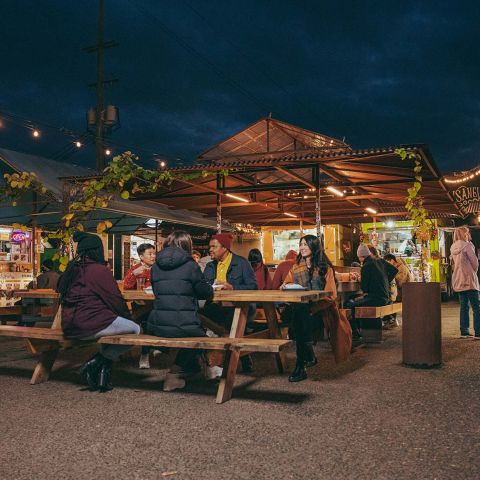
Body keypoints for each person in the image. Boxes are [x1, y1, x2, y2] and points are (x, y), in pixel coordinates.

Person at [57, 231, 140, 392]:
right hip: (90, 324)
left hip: (70, 325)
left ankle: (103, 376)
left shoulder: (72, 269)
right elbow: (115, 300)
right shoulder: (98, 270)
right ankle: (96, 361)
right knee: (136, 330)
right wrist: (128, 318)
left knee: (112, 332)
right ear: (98, 250)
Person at [146, 231, 214, 391]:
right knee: (201, 336)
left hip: (158, 325)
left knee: (191, 332)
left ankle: (193, 369)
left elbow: (157, 292)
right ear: (187, 245)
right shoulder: (191, 265)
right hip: (185, 324)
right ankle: (174, 374)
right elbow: (205, 292)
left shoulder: (155, 266)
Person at [282, 234, 351, 382]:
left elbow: (331, 296)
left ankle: (304, 362)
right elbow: (286, 284)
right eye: (301, 244)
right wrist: (285, 286)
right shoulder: (295, 268)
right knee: (300, 317)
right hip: (302, 312)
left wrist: (313, 309)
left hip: (322, 312)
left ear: (314, 246)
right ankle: (302, 364)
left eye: (306, 245)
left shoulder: (325, 269)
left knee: (298, 322)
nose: (302, 247)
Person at [202, 233, 258, 374]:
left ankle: (221, 365)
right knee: (195, 316)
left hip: (239, 306)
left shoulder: (242, 263)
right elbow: (203, 286)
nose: (210, 250)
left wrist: (232, 287)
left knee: (229, 327)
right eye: (209, 247)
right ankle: (215, 360)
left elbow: (253, 287)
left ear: (225, 248)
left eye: (214, 247)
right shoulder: (210, 266)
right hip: (216, 306)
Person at [346, 243, 398, 346]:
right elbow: (394, 270)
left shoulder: (366, 266)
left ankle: (355, 335)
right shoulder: (380, 261)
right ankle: (361, 333)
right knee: (355, 300)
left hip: (376, 298)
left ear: (360, 256)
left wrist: (361, 279)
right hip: (385, 297)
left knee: (349, 304)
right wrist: (385, 281)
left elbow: (364, 288)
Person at [123, 243, 156, 368]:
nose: (153, 256)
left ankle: (148, 352)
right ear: (141, 257)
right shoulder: (135, 269)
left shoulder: (158, 268)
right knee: (143, 322)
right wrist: (134, 274)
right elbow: (126, 286)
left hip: (155, 303)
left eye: (154, 253)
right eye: (150, 254)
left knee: (149, 321)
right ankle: (144, 354)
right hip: (140, 304)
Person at [450, 226, 480, 339]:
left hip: (459, 280)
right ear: (465, 234)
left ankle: (464, 331)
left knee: (464, 307)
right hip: (469, 280)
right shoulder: (467, 245)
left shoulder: (453, 247)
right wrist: (473, 272)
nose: (469, 235)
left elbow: (453, 264)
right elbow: (475, 262)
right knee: (477, 307)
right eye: (467, 233)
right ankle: (478, 332)